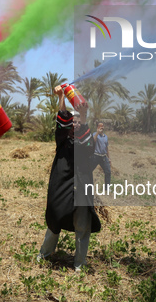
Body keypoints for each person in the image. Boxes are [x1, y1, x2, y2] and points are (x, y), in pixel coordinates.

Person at [37, 85, 101, 271]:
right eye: (72, 122)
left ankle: (80, 264)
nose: (74, 124)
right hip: (61, 186)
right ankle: (43, 255)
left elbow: (89, 144)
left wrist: (84, 115)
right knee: (54, 221)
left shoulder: (84, 143)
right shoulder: (62, 141)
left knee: (82, 225)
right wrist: (61, 96)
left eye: (77, 122)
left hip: (81, 187)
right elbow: (62, 119)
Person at [92, 122, 112, 186]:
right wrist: (98, 133)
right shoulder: (95, 134)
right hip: (96, 156)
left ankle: (107, 188)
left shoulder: (105, 136)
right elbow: (93, 141)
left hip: (103, 157)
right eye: (100, 126)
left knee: (108, 172)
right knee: (89, 170)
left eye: (102, 125)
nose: (102, 127)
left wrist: (109, 158)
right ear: (97, 127)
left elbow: (106, 148)